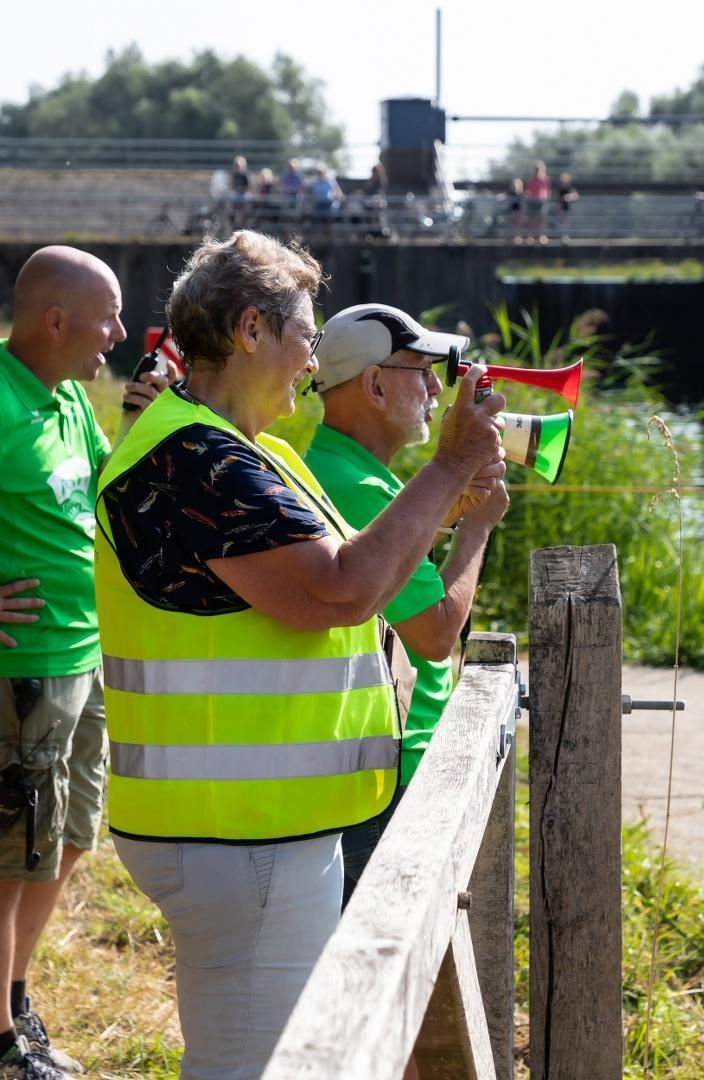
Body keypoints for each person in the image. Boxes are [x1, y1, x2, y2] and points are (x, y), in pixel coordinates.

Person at [94, 230, 505, 1080]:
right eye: (304, 335)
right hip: (237, 833)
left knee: (251, 1053)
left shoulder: (246, 453)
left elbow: (372, 577)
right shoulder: (196, 461)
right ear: (251, 329)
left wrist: (445, 498)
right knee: (265, 1065)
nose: (311, 360)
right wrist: (449, 467)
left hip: (248, 827)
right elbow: (340, 594)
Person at [0, 245, 169, 1080]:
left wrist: (135, 428)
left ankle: (14, 998)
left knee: (64, 840)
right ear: (55, 318)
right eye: (105, 317)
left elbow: (91, 498)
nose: (116, 335)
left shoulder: (69, 399)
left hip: (82, 655)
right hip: (22, 670)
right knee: (7, 858)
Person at [303, 303, 510, 907]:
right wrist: (478, 529)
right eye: (420, 371)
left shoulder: (347, 473)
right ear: (373, 384)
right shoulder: (360, 489)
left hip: (388, 767)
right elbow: (437, 633)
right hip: (395, 774)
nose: (434, 390)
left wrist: (449, 503)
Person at [524, 160, 551, 243]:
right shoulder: (531, 180)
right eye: (536, 169)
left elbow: (547, 190)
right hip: (532, 201)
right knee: (532, 219)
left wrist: (545, 198)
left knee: (542, 219)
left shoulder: (545, 179)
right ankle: (530, 236)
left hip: (542, 201)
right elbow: (528, 191)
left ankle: (542, 236)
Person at [556, 171, 579, 237]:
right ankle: (562, 235)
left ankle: (566, 235)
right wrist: (564, 198)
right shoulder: (560, 189)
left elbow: (576, 196)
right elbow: (559, 198)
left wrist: (569, 197)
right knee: (562, 222)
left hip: (568, 208)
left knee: (567, 222)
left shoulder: (570, 188)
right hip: (561, 208)